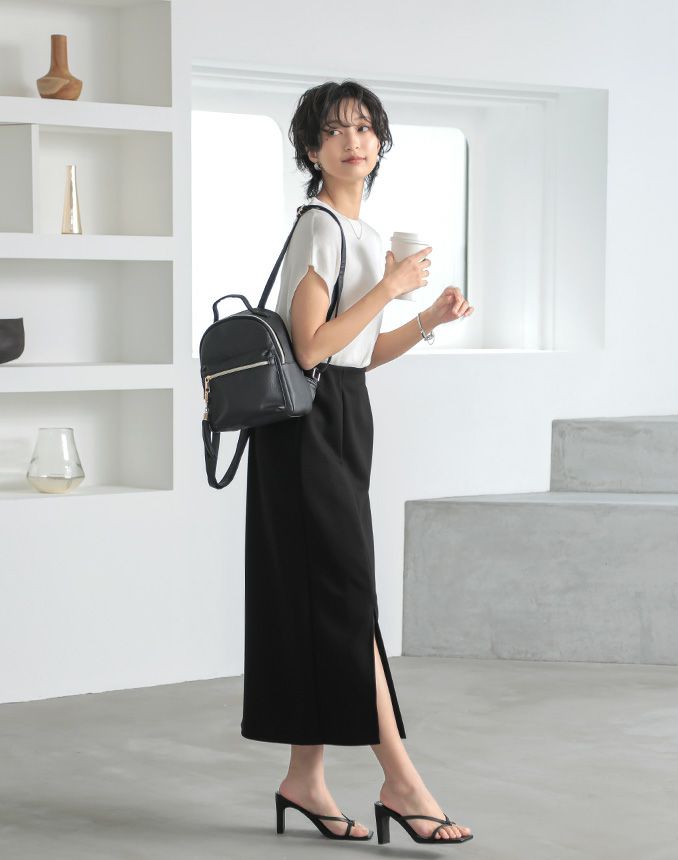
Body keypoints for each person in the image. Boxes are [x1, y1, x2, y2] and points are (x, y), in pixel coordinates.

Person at [242, 79, 475, 844]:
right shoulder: (318, 226)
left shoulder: (361, 231)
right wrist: (392, 288)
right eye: (336, 130)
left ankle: (304, 779)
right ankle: (402, 782)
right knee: (345, 600)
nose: (354, 141)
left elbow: (357, 355)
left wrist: (427, 318)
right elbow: (310, 348)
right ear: (311, 150)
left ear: (381, 143)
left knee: (329, 599)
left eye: (366, 127)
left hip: (343, 420)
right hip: (305, 434)